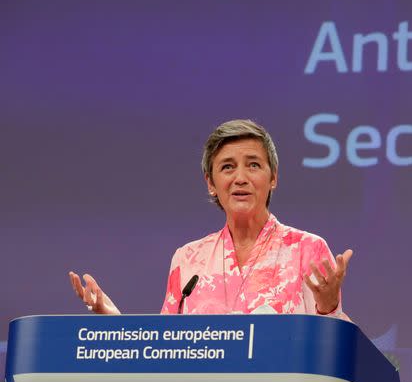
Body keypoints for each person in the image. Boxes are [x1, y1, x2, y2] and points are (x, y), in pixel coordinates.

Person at [68, 119, 352, 319]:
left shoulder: (307, 249)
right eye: (227, 167)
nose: (240, 177)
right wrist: (113, 321)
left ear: (273, 177)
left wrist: (328, 307)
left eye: (253, 165)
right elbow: (166, 347)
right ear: (211, 183)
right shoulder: (189, 258)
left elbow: (331, 352)